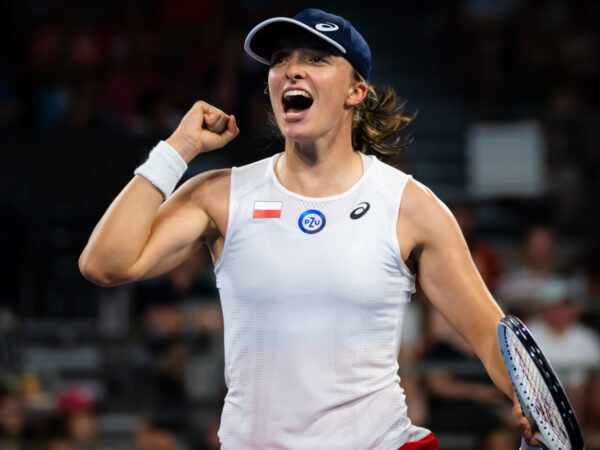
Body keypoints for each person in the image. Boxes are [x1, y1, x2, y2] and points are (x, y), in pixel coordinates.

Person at [79, 8, 539, 449]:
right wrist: (176, 149)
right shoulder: (220, 194)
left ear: (356, 91)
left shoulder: (408, 206)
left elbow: (486, 331)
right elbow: (104, 264)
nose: (292, 70)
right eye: (281, 60)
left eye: (316, 59)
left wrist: (529, 403)